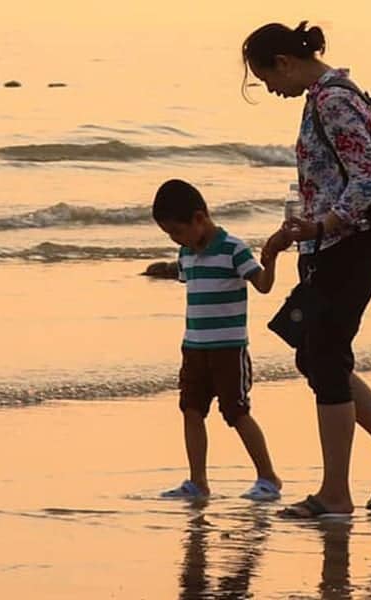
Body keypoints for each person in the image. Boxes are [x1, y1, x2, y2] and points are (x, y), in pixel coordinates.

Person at [241, 21, 371, 518]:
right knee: (316, 356)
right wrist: (297, 230)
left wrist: (325, 224)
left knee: (325, 360)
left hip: (350, 248)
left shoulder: (333, 100)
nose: (272, 91)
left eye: (267, 80)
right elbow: (330, 176)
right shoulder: (323, 98)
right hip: (331, 246)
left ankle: (335, 495)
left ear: (284, 62)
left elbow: (369, 175)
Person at [152, 178, 290, 500]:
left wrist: (270, 261)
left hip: (228, 348)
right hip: (194, 347)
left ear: (199, 218)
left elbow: (263, 285)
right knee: (191, 410)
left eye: (178, 232)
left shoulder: (233, 248)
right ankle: (197, 481)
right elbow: (188, 278)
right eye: (171, 234)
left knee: (237, 412)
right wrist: (162, 269)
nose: (176, 239)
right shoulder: (186, 253)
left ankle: (268, 477)